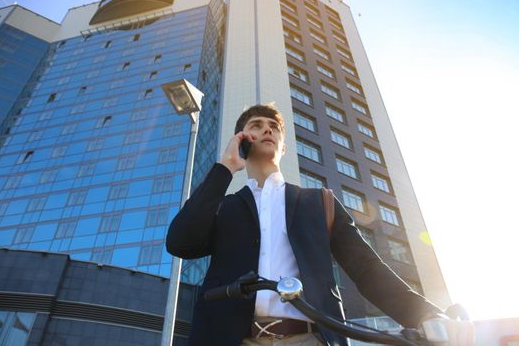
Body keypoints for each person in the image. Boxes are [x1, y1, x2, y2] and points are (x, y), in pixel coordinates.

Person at [166, 103, 474, 346]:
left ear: (283, 147)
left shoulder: (319, 202)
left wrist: (425, 315)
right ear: (242, 140)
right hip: (233, 339)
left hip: (311, 339)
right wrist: (225, 167)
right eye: (255, 127)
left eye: (274, 127)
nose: (267, 130)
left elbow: (367, 269)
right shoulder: (224, 207)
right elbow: (181, 243)